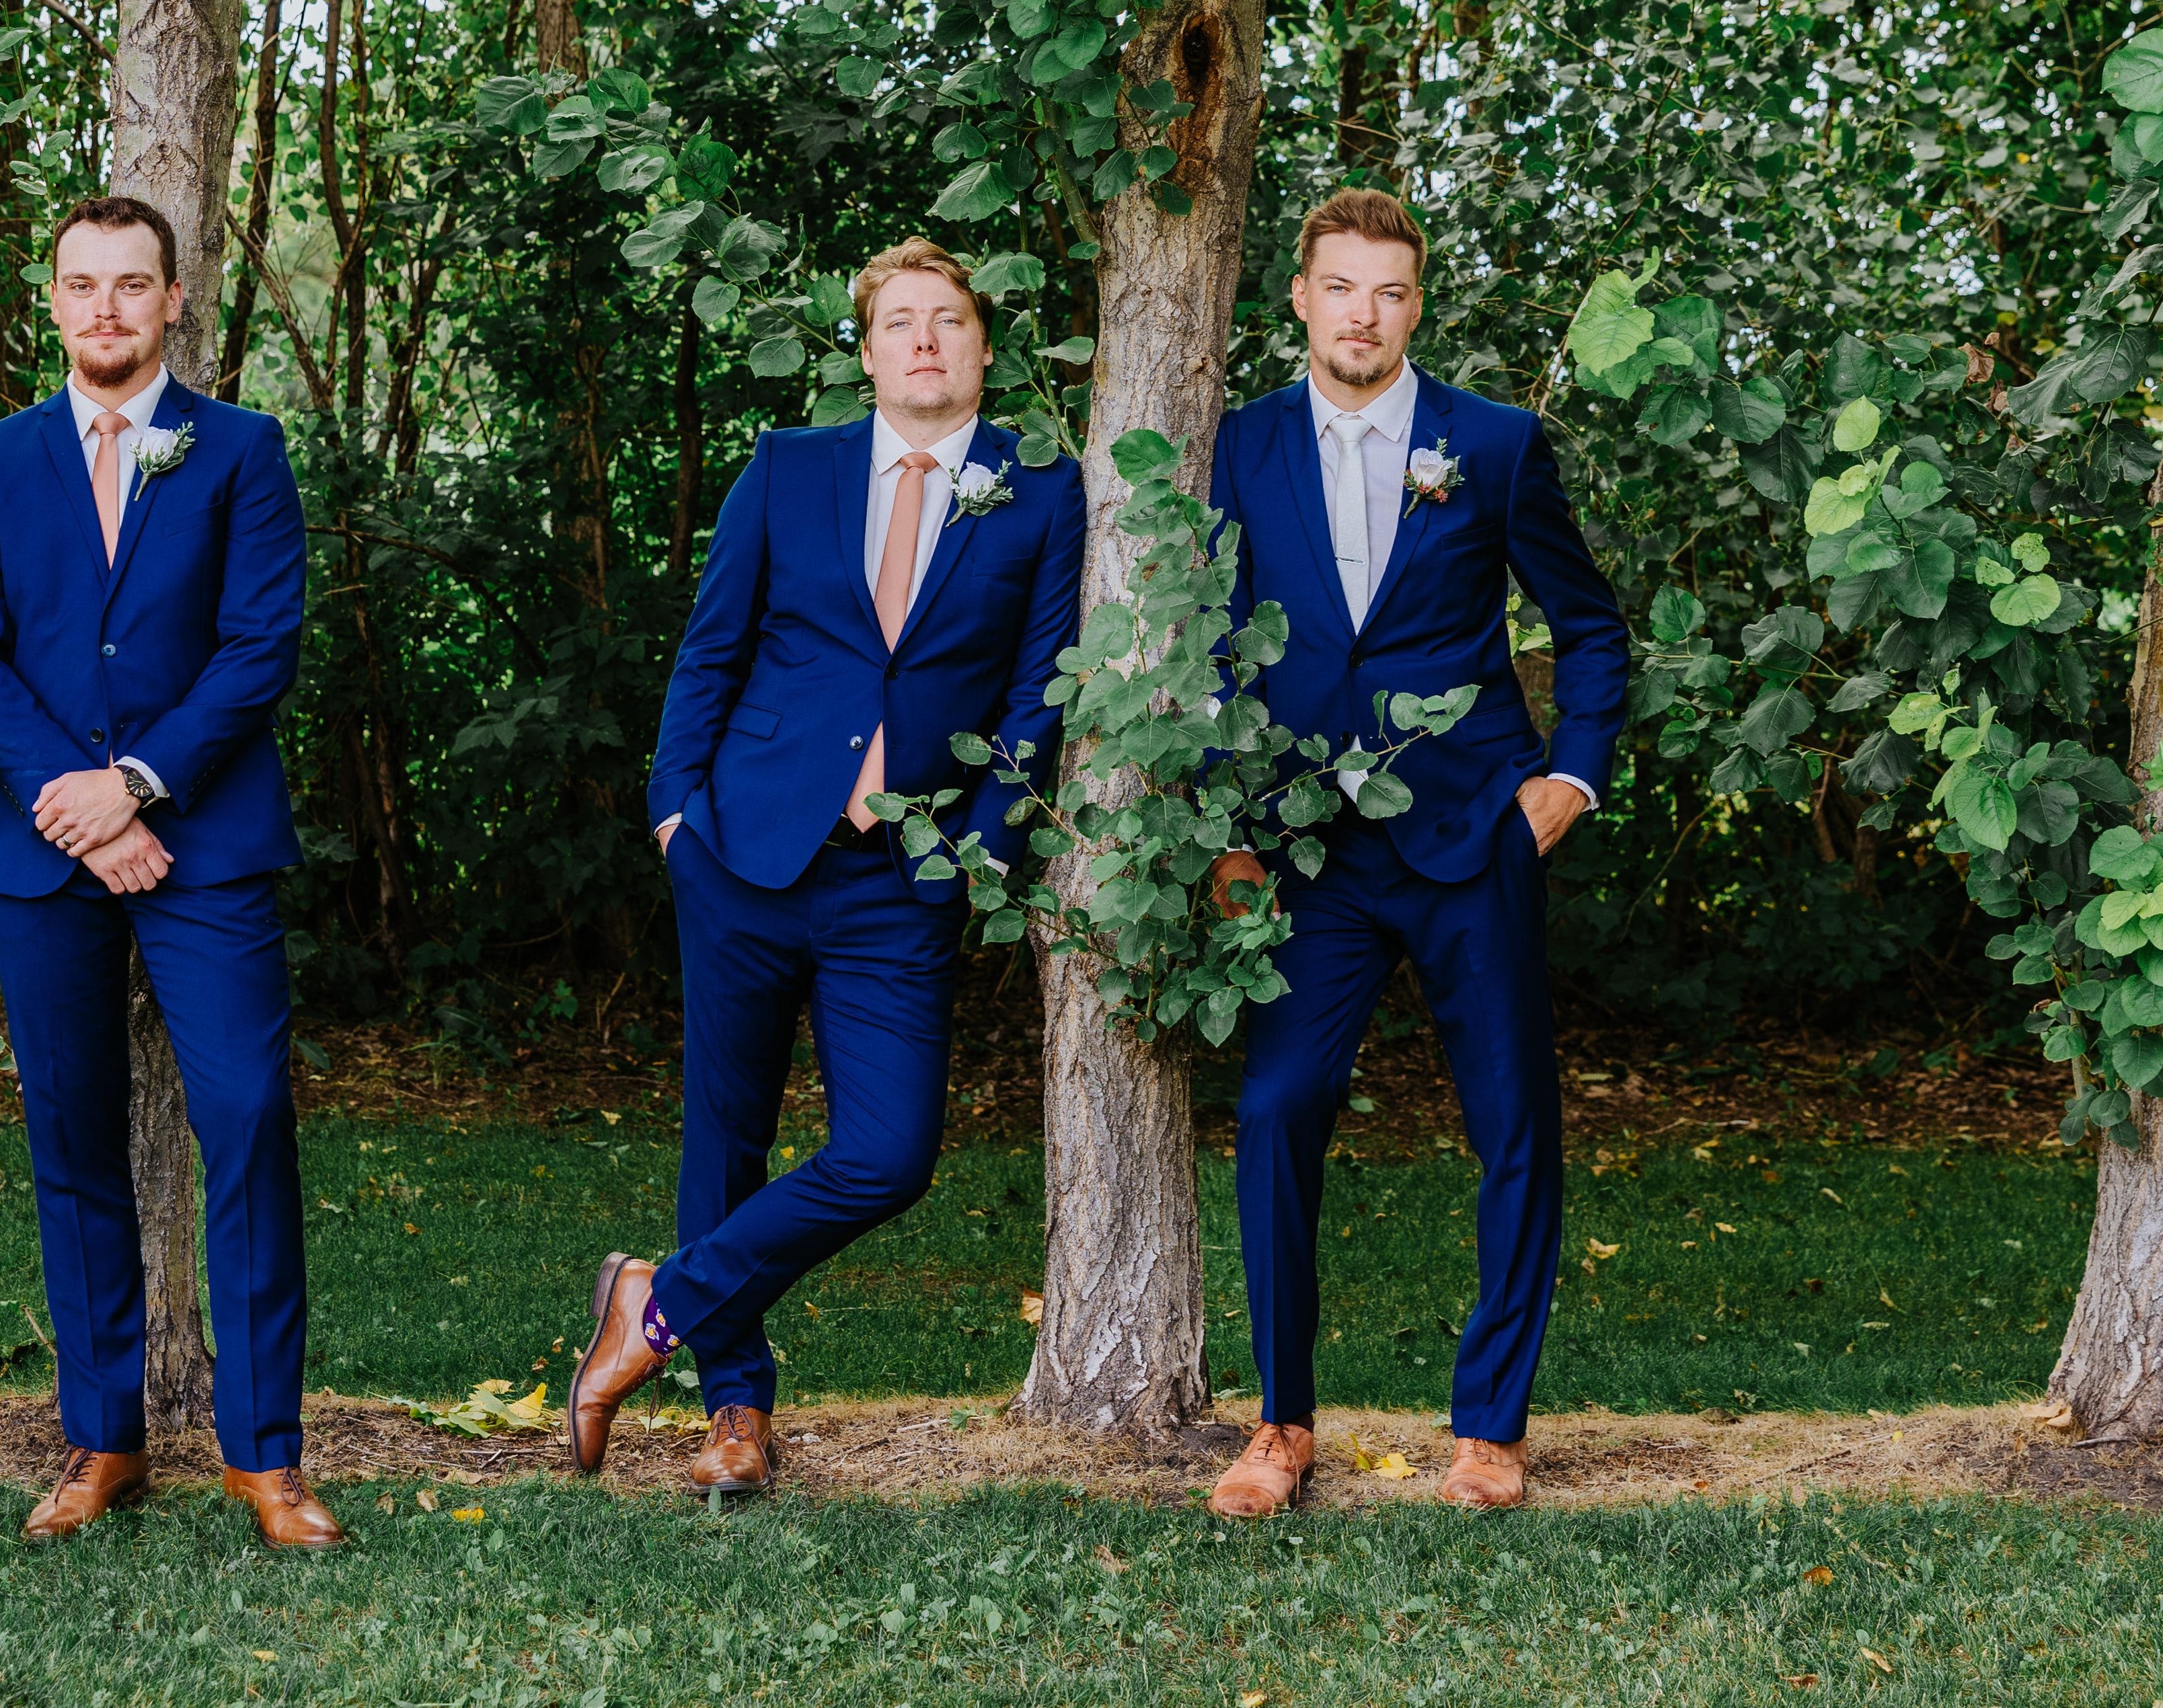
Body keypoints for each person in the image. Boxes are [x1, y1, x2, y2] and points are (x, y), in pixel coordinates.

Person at [564, 239, 1086, 1494]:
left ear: (983, 345)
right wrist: (672, 815)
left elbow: (1037, 691)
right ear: (865, 353)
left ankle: (655, 1299)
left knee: (892, 1153)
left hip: (901, 875)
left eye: (947, 320)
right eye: (899, 322)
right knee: (725, 1134)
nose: (924, 340)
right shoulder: (788, 469)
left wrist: (978, 852)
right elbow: (710, 648)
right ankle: (735, 1414)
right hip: (741, 853)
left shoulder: (1042, 488)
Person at [1199, 187, 1629, 1516]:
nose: (1363, 314)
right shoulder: (1237, 446)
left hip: (1467, 833)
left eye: (1388, 291)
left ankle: (1492, 1423)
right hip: (1306, 851)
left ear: (1416, 304)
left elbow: (1593, 626)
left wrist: (1569, 778)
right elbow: (1211, 647)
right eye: (1340, 287)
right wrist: (1225, 823)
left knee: (1515, 1130)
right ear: (1302, 297)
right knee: (1274, 1113)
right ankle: (1279, 1422)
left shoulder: (1491, 444)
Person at [0, 195, 342, 1549]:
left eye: (132, 284)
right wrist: (85, 807)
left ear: (175, 300)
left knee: (248, 1120)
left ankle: (265, 1454)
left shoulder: (242, 450)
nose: (105, 306)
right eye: (80, 283)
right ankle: (103, 1437)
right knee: (73, 1139)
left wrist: (142, 786)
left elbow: (256, 647)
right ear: (52, 300)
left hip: (206, 844)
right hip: (44, 846)